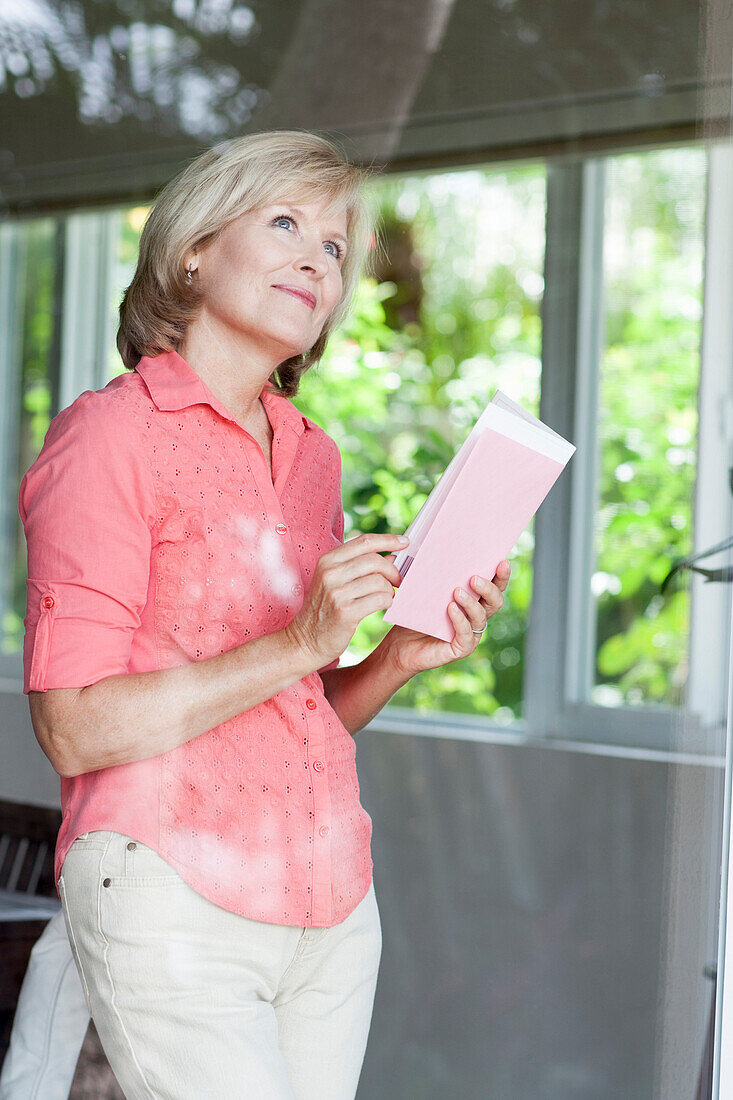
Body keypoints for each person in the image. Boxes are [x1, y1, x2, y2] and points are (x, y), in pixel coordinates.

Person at [12, 129, 510, 1099]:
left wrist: (397, 655)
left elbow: (297, 709)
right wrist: (298, 638)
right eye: (284, 221)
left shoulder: (311, 454)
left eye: (332, 247)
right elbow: (71, 727)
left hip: (331, 902)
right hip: (169, 886)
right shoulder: (109, 436)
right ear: (194, 248)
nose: (315, 259)